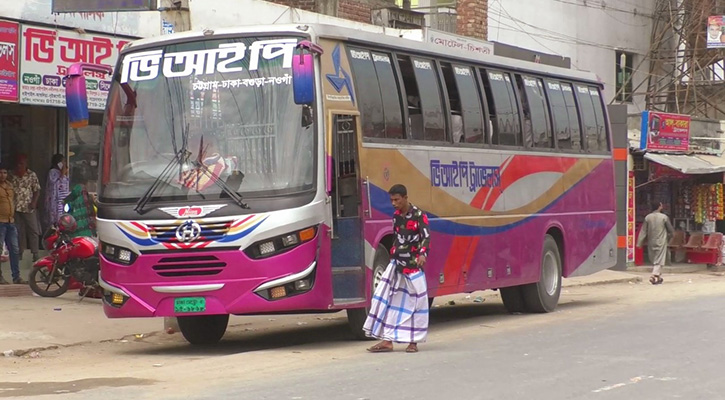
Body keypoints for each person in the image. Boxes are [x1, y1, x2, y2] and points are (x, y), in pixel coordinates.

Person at [364, 184, 431, 353]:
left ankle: (413, 342)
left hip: (413, 267)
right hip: (396, 265)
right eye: (392, 200)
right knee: (386, 298)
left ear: (405, 198)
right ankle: (387, 341)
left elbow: (426, 237)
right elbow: (396, 238)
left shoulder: (418, 215)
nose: (394, 203)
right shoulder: (396, 216)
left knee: (417, 302)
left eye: (397, 200)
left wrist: (422, 254)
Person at [10, 154, 41, 262]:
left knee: (33, 230)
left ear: (25, 164)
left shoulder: (31, 175)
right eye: (17, 164)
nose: (19, 166)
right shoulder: (12, 175)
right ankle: (19, 252)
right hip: (15, 207)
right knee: (18, 231)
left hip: (28, 207)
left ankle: (35, 253)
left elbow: (37, 190)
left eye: (21, 164)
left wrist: (34, 202)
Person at [637, 202, 674, 285]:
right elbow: (671, 230)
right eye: (661, 205)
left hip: (651, 240)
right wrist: (670, 237)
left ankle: (658, 277)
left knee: (655, 259)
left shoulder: (648, 217)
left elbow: (643, 231)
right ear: (660, 207)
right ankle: (654, 275)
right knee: (659, 259)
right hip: (661, 240)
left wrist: (639, 242)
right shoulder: (664, 217)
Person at [0, 164, 25, 284]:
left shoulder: (9, 186)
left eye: (4, 173)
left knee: (14, 250)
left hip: (10, 222)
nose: (3, 175)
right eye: (0, 173)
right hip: (0, 222)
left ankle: (16, 277)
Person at [44, 154, 70, 229]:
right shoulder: (52, 172)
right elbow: (54, 182)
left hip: (63, 200)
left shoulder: (64, 174)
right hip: (56, 200)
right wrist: (62, 173)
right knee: (56, 219)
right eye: (63, 161)